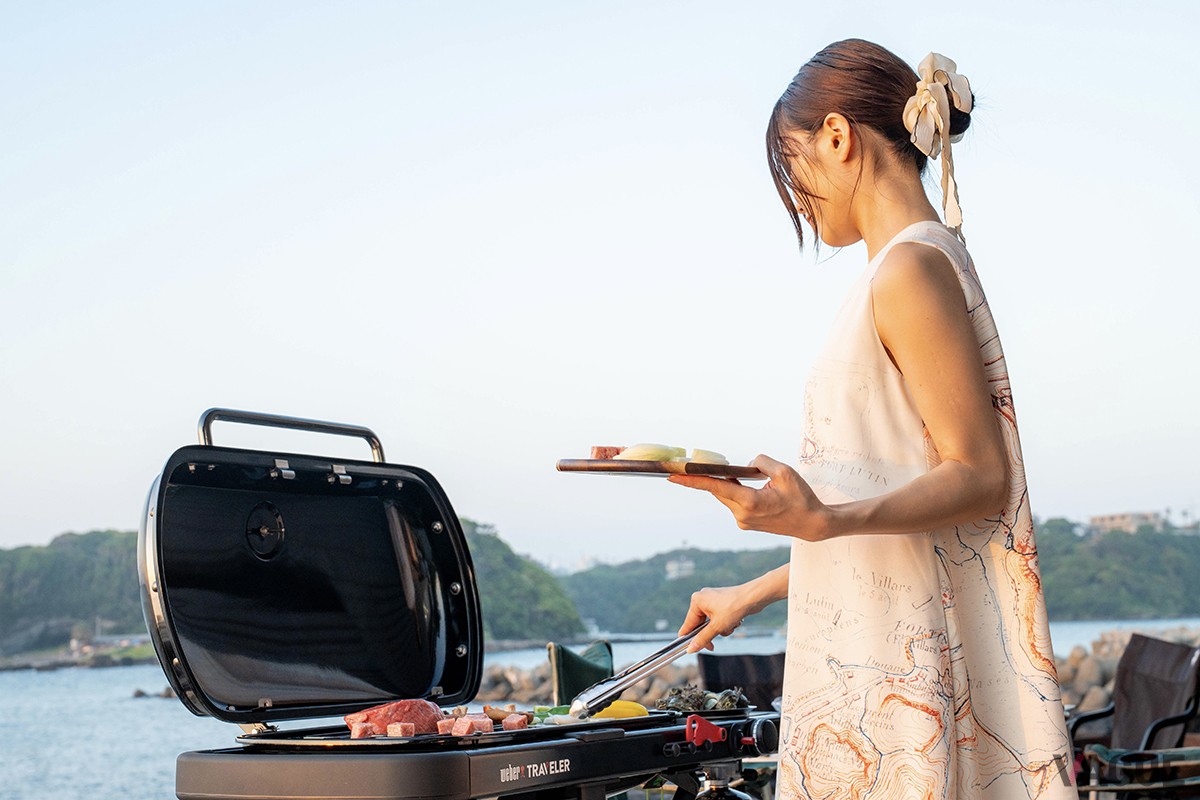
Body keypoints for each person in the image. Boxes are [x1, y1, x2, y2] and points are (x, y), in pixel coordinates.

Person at [670, 40, 1074, 799]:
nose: (794, 192)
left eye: (791, 165)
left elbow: (980, 476)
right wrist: (751, 593)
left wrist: (822, 517)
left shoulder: (911, 269)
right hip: (878, 665)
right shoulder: (911, 265)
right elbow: (904, 518)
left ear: (837, 135)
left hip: (895, 685)